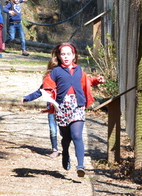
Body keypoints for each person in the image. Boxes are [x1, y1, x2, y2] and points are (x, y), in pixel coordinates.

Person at [22, 43, 103, 177]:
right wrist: (28, 97)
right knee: (66, 137)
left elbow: (86, 81)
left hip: (77, 106)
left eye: (68, 54)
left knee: (77, 135)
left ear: (73, 55)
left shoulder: (79, 70)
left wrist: (96, 80)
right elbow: (44, 89)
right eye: (63, 54)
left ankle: (81, 166)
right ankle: (65, 153)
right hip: (61, 108)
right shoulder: (56, 72)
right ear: (59, 56)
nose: (66, 57)